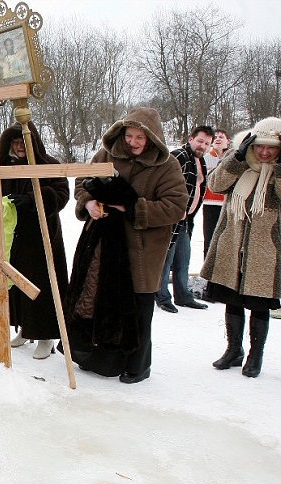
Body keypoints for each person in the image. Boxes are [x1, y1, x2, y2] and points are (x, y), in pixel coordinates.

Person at [61, 106, 187, 384]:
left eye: (140, 138)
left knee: (138, 308)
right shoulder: (106, 154)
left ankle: (139, 366)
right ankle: (92, 358)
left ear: (152, 138)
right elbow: (82, 182)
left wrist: (132, 207)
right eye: (129, 136)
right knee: (96, 302)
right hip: (102, 245)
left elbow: (176, 206)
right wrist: (89, 203)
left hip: (142, 249)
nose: (133, 142)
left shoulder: (167, 166)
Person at [0, 121, 70, 359]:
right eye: (15, 142)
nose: (19, 147)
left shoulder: (48, 165)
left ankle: (46, 336)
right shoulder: (3, 166)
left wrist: (32, 199)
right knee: (16, 286)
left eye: (23, 142)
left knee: (42, 287)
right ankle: (25, 329)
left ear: (33, 142)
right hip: (13, 238)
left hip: (41, 239)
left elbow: (61, 194)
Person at [201, 117, 281, 378]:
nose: (265, 152)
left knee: (259, 303)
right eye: (259, 146)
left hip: (265, 249)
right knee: (232, 299)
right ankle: (233, 349)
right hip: (232, 243)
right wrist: (236, 158)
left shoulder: (278, 172)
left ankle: (255, 355)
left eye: (271, 148)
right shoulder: (239, 163)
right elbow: (215, 184)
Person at [155, 125, 214, 313]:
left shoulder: (200, 160)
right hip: (171, 218)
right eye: (200, 141)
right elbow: (163, 183)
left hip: (186, 219)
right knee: (166, 258)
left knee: (183, 258)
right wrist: (174, 207)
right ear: (190, 139)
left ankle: (183, 296)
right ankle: (162, 296)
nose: (203, 146)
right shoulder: (178, 156)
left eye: (207, 143)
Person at [202, 128, 231, 259]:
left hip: (228, 205)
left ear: (228, 141)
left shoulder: (233, 159)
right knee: (209, 239)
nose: (218, 139)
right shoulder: (205, 158)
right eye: (216, 137)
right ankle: (207, 266)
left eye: (221, 137)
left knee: (226, 240)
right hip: (210, 204)